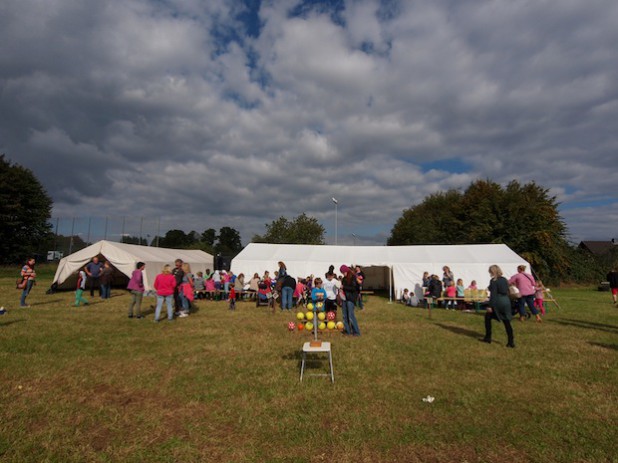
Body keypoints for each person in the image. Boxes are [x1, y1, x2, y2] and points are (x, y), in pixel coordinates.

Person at [481, 265, 515, 348]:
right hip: (506, 301)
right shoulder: (504, 279)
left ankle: (488, 337)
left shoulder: (493, 280)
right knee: (507, 322)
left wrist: (490, 306)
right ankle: (511, 342)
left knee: (488, 317)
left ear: (492, 271)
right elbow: (506, 290)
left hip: (498, 301)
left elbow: (494, 294)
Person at [340, 265, 361, 336]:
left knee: (351, 315)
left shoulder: (353, 278)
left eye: (344, 272)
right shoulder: (344, 279)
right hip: (344, 298)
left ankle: (356, 332)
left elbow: (354, 288)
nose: (343, 273)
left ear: (347, 270)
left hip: (351, 299)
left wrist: (344, 287)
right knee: (344, 316)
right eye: (342, 272)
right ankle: (347, 331)